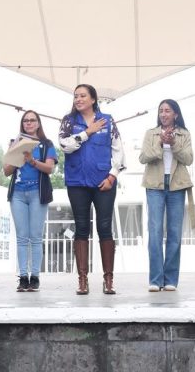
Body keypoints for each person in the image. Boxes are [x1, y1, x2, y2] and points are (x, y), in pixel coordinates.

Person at [59, 84, 126, 295]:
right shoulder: (68, 121)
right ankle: (82, 280)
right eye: (76, 96)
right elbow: (65, 145)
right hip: (77, 181)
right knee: (81, 228)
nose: (78, 99)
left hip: (103, 182)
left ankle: (108, 280)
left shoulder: (107, 120)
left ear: (93, 99)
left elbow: (119, 151)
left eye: (83, 96)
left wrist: (112, 175)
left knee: (105, 227)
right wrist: (88, 132)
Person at [140, 99, 193, 292]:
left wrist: (174, 144)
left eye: (168, 111)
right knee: (154, 232)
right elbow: (143, 157)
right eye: (161, 110)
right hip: (154, 185)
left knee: (174, 233)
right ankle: (155, 279)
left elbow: (188, 159)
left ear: (176, 114)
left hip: (177, 185)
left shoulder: (184, 134)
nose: (163, 114)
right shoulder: (151, 133)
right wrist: (161, 143)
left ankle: (171, 279)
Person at [3, 110, 58, 292]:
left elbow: (49, 168)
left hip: (37, 192)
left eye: (32, 120)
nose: (29, 123)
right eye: (25, 120)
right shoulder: (15, 142)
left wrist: (32, 161)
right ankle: (23, 277)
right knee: (21, 237)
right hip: (18, 193)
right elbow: (6, 170)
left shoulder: (46, 144)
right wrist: (18, 154)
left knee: (35, 237)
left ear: (38, 123)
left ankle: (34, 277)